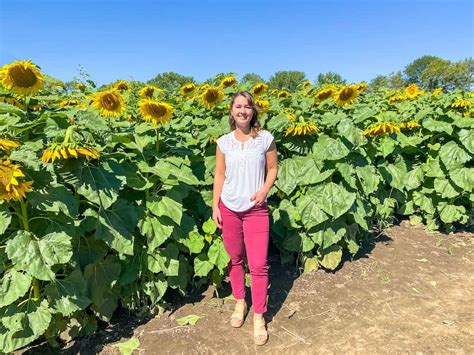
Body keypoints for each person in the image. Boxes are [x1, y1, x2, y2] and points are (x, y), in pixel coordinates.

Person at [212, 91, 278, 346]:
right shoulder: (224, 142)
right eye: (238, 106)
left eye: (247, 107)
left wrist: (263, 191)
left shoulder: (264, 139)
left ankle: (259, 316)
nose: (243, 111)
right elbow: (219, 174)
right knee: (235, 258)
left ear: (253, 112)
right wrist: (215, 205)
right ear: (231, 111)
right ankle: (240, 302)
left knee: (259, 265)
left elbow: (272, 168)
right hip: (229, 208)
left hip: (255, 210)